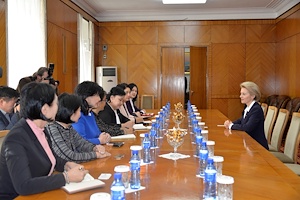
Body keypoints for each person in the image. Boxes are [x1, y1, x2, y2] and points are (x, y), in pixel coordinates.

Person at [0, 82, 88, 199]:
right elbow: (23, 185)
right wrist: (66, 177)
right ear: (45, 109)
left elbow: (49, 157)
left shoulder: (40, 128)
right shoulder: (16, 139)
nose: (58, 107)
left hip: (39, 193)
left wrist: (66, 165)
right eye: (56, 103)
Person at [46, 93, 111, 163]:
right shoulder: (53, 129)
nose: (80, 114)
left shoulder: (69, 127)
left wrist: (94, 148)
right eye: (79, 110)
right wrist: (95, 155)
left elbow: (81, 143)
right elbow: (68, 156)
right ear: (70, 112)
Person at [224, 81, 269, 150]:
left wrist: (231, 126)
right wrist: (231, 123)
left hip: (258, 147)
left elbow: (247, 127)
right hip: (249, 144)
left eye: (243, 94)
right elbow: (242, 120)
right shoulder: (248, 106)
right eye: (241, 94)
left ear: (253, 96)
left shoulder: (256, 109)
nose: (240, 96)